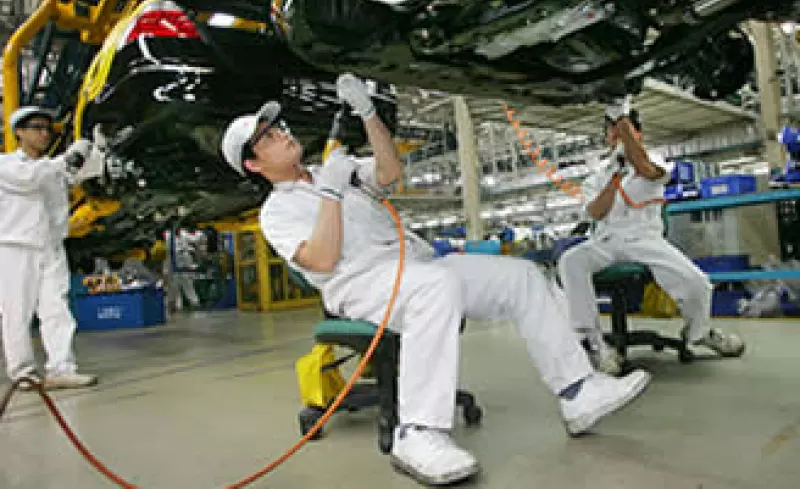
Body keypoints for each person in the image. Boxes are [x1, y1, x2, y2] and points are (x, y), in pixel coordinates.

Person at [220, 75, 652, 486]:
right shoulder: (277, 212)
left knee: (521, 276)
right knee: (434, 287)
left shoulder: (336, 169)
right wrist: (332, 193)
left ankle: (577, 389)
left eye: (278, 126)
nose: (282, 133)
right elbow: (321, 258)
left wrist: (369, 114)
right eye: (267, 137)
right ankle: (417, 433)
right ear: (254, 164)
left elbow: (390, 175)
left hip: (417, 263)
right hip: (362, 283)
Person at [558, 100, 745, 376]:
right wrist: (614, 179)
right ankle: (595, 343)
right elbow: (596, 213)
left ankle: (700, 332)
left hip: (647, 240)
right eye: (613, 130)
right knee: (571, 261)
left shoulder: (653, 160)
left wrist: (621, 119)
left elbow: (646, 169)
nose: (618, 135)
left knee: (697, 283)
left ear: (637, 134)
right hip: (606, 241)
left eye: (624, 129)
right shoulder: (597, 177)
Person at [0, 106, 104, 390]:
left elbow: (81, 175)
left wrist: (96, 149)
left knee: (57, 309)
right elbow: (31, 179)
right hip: (15, 247)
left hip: (51, 247)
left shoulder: (53, 169)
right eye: (36, 127)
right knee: (17, 312)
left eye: (48, 128)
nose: (44, 133)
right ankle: (22, 372)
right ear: (19, 132)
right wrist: (69, 159)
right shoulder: (7, 166)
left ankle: (61, 368)